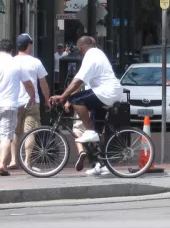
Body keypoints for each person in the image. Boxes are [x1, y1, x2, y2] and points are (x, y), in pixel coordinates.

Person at [49, 36, 125, 174]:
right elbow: (82, 82)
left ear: (79, 48)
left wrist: (64, 96)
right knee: (97, 128)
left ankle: (89, 132)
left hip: (106, 92)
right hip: (108, 92)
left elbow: (77, 81)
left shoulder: (91, 56)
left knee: (76, 100)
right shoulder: (98, 53)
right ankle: (101, 164)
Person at [12, 34, 50, 171]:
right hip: (32, 102)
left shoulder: (12, 61)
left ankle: (13, 160)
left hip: (15, 101)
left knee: (15, 132)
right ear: (28, 46)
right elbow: (43, 83)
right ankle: (27, 161)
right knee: (30, 132)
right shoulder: (36, 62)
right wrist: (47, 99)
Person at [0, 39, 35, 176]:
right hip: (9, 105)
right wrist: (32, 97)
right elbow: (28, 84)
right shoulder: (16, 63)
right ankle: (2, 164)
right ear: (12, 50)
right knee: (6, 135)